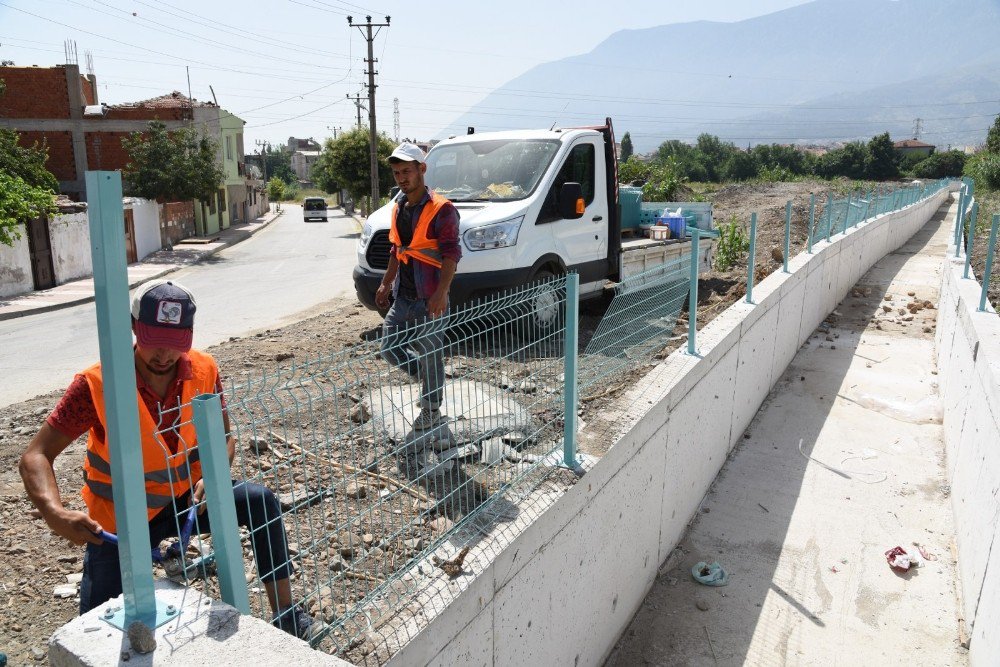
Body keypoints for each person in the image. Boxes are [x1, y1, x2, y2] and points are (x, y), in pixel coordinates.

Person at [18, 279, 320, 641]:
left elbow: (224, 436)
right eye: (152, 342)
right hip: (119, 523)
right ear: (133, 329)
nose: (163, 355)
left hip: (187, 502)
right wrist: (55, 513)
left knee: (260, 502)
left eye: (174, 345)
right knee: (96, 629)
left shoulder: (204, 370)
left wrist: (214, 474)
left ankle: (286, 615)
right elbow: (35, 455)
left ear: (189, 336)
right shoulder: (97, 384)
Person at [376, 142, 461, 430]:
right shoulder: (398, 206)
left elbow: (452, 254)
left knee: (432, 353)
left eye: (407, 171)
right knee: (390, 348)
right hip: (404, 296)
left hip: (430, 298)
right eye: (397, 172)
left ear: (422, 169)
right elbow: (396, 249)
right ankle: (429, 381)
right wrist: (386, 284)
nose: (401, 177)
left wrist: (441, 293)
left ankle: (431, 407)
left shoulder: (442, 209)